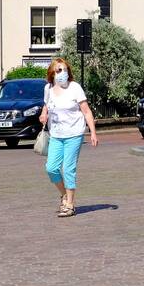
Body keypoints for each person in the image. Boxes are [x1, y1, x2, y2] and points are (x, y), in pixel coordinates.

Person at [39, 58, 98, 217]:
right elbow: (46, 105)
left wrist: (92, 132)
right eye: (58, 70)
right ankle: (64, 194)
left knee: (68, 168)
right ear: (52, 73)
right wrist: (43, 114)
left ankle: (70, 204)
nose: (62, 73)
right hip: (56, 135)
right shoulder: (48, 88)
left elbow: (86, 111)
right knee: (51, 168)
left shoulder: (74, 87)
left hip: (74, 133)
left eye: (64, 70)